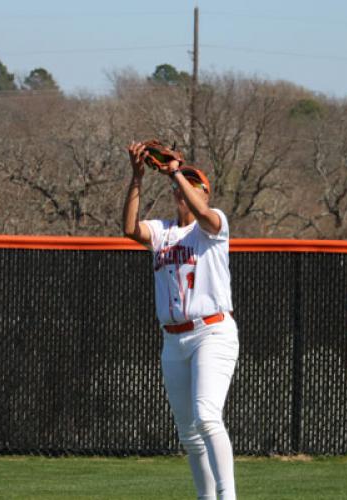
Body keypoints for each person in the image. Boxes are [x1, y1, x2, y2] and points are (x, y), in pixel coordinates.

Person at [123, 142, 239, 500]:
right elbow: (129, 228)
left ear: (204, 192)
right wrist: (137, 178)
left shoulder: (213, 226)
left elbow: (204, 213)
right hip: (173, 340)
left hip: (212, 331)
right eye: (177, 185)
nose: (181, 189)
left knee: (207, 416)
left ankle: (228, 496)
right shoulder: (163, 232)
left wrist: (175, 170)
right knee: (188, 432)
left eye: (191, 184)